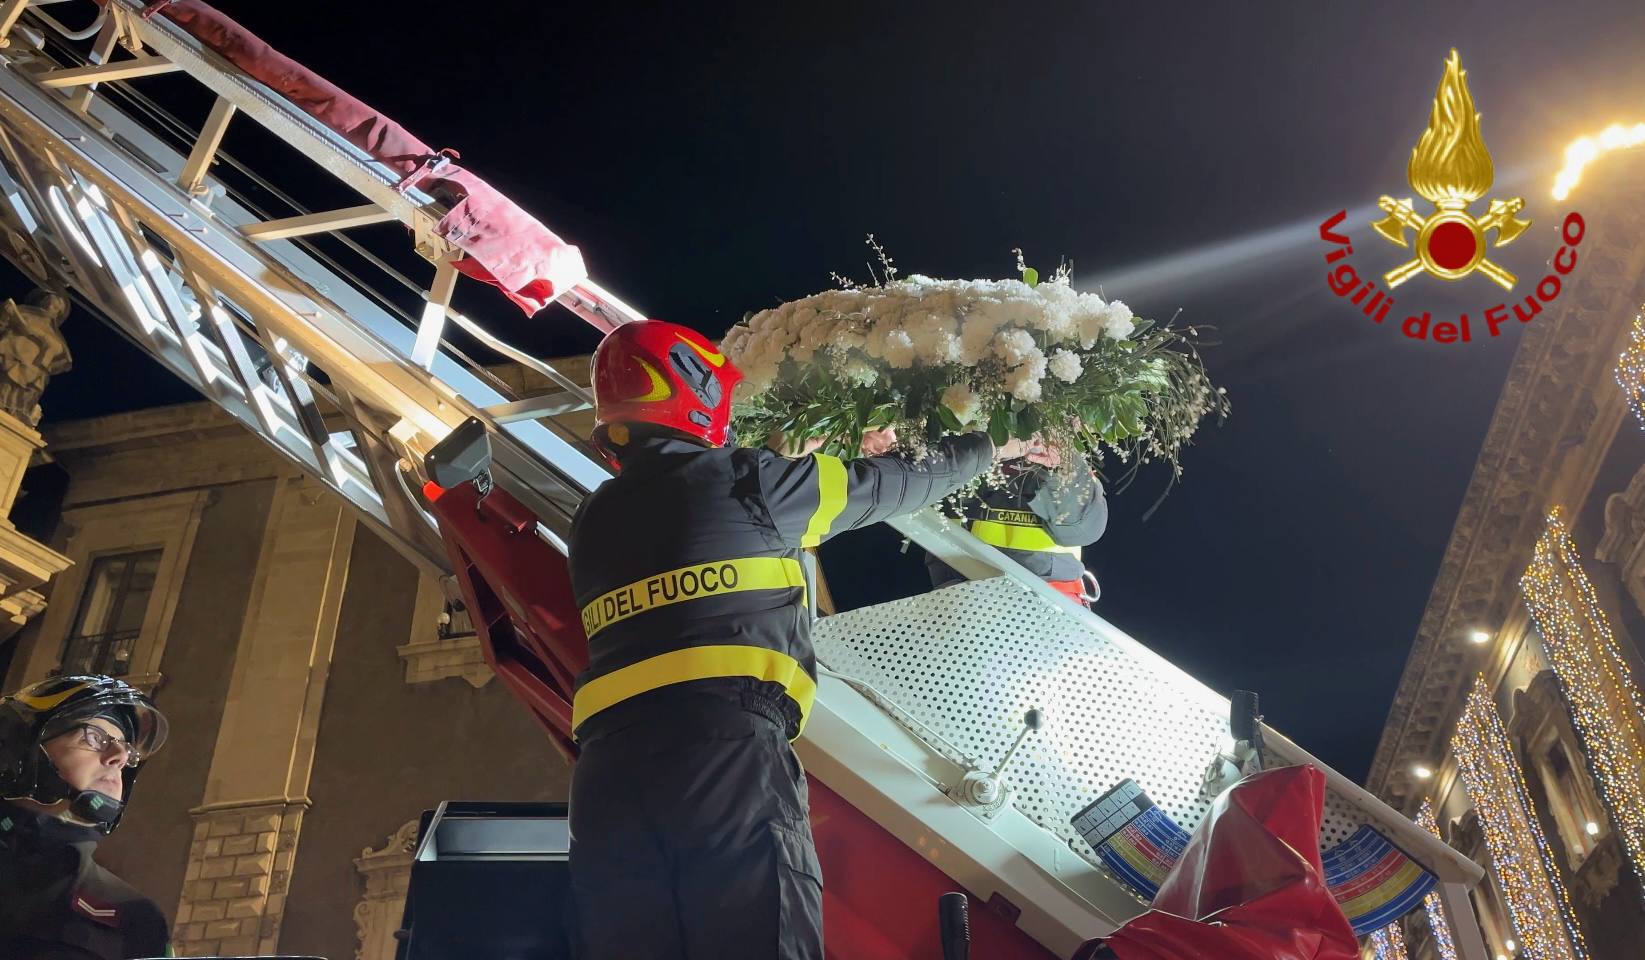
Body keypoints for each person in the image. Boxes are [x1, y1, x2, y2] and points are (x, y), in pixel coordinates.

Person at [566, 319, 1018, 959]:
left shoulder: (593, 520)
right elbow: (893, 484)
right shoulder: (746, 482)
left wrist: (788, 456)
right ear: (696, 392)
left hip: (604, 778)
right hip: (723, 753)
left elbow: (709, 541)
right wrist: (991, 444)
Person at [0, 675, 170, 960]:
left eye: (128, 752)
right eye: (94, 737)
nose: (120, 756)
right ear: (19, 749)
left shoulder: (134, 917)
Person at [926, 436, 1108, 606]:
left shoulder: (1056, 462)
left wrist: (1063, 465)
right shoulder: (958, 452)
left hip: (1045, 606)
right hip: (961, 603)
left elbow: (1082, 530)